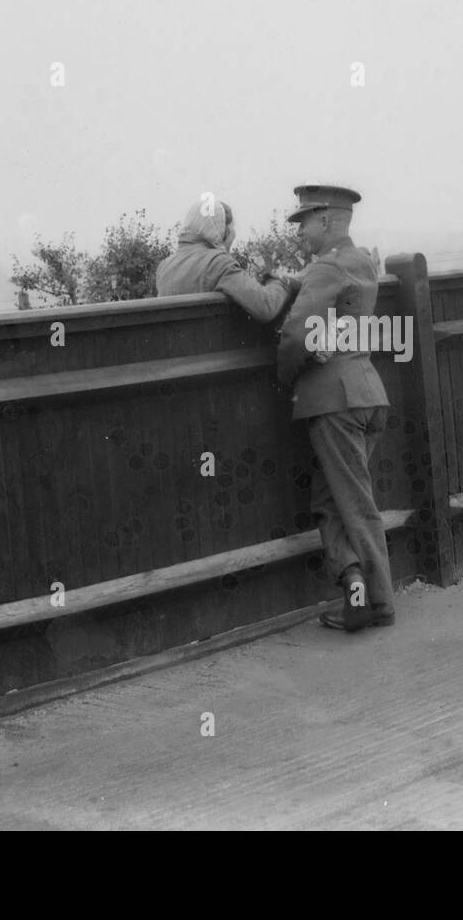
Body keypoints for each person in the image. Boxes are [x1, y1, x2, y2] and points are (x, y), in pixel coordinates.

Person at [278, 184, 395, 631]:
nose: (301, 232)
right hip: (368, 394)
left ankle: (380, 602)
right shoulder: (363, 261)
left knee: (353, 504)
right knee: (331, 503)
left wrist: (288, 377)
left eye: (304, 222)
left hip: (334, 402)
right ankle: (356, 594)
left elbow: (295, 335)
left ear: (326, 220)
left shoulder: (325, 268)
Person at [155, 199, 296, 322]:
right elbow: (266, 306)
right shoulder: (218, 263)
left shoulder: (164, 266)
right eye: (232, 229)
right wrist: (281, 282)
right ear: (222, 231)